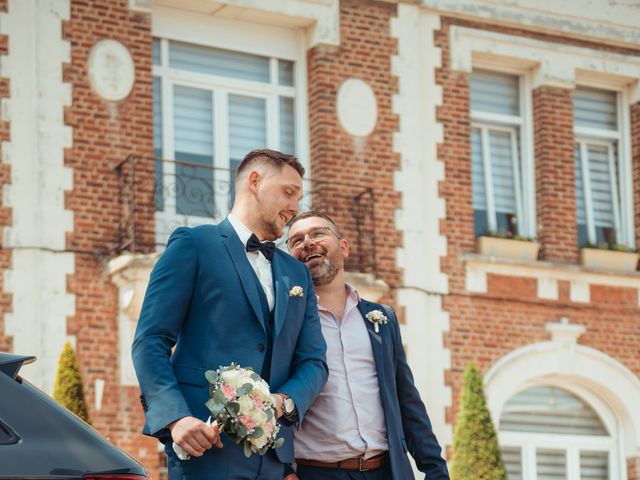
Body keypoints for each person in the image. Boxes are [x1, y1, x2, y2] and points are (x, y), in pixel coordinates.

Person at [132, 149, 328, 480]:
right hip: (205, 450)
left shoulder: (297, 275)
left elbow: (314, 361)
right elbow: (151, 339)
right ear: (255, 181)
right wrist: (175, 418)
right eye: (289, 192)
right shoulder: (193, 245)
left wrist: (284, 403)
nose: (295, 207)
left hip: (275, 461)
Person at [284, 211, 450, 480]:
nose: (307, 243)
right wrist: (280, 470)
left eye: (318, 233)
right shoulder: (287, 320)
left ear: (344, 247)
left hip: (385, 470)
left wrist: (436, 471)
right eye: (296, 240)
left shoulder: (381, 319)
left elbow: (407, 400)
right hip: (316, 472)